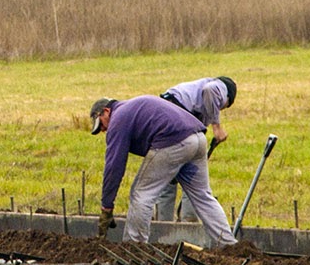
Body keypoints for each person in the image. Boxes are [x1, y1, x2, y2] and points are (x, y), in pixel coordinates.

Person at [90, 95, 236, 248]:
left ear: (106, 111)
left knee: (141, 194)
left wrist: (107, 206)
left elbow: (114, 166)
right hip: (197, 139)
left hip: (174, 142)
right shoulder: (130, 109)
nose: (103, 130)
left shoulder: (118, 118)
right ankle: (228, 245)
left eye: (101, 125)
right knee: (203, 196)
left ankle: (134, 249)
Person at [154, 76, 237, 223]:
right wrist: (217, 127)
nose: (219, 109)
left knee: (168, 177)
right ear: (227, 97)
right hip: (179, 117)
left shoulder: (192, 92)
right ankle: (188, 226)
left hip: (165, 116)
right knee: (193, 177)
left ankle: (162, 229)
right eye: (223, 106)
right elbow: (210, 91)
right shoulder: (220, 86)